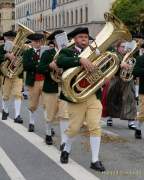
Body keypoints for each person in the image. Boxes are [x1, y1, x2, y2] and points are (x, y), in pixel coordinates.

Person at [56, 27, 105, 172]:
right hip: (76, 96)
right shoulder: (67, 51)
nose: (84, 39)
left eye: (86, 37)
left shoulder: (95, 52)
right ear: (74, 39)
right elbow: (60, 61)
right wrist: (80, 60)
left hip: (93, 95)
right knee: (74, 128)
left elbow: (110, 61)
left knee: (95, 126)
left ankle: (95, 160)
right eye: (81, 37)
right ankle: (66, 149)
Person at [38, 30, 69, 148]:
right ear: (55, 41)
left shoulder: (69, 52)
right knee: (49, 115)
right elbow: (40, 69)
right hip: (51, 87)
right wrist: (49, 66)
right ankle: (48, 133)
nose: (61, 41)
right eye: (59, 39)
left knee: (64, 115)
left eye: (63, 38)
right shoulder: (48, 53)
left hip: (65, 88)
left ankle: (64, 141)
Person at [106, 41, 137, 129]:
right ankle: (110, 117)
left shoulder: (130, 56)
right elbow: (109, 65)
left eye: (125, 46)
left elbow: (134, 67)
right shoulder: (113, 55)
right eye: (122, 46)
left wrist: (130, 67)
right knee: (112, 97)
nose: (124, 48)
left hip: (127, 80)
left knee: (130, 98)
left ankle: (131, 120)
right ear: (117, 47)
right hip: (115, 78)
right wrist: (120, 64)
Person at [23, 33, 45, 132]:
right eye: (36, 42)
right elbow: (26, 66)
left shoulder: (46, 51)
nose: (38, 44)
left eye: (40, 42)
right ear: (32, 43)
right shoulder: (28, 52)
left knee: (47, 104)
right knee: (33, 104)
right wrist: (38, 64)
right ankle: (31, 122)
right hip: (34, 81)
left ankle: (48, 126)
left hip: (45, 81)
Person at [0, 30, 23, 123]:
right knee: (5, 95)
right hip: (5, 74)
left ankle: (17, 115)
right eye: (8, 38)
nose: (11, 40)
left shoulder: (20, 48)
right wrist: (6, 55)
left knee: (18, 94)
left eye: (12, 38)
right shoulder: (1, 47)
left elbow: (24, 59)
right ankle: (5, 110)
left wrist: (17, 60)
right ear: (5, 38)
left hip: (17, 74)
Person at [133, 43, 144, 139]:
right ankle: (138, 128)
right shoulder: (140, 59)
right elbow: (135, 71)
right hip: (143, 90)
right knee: (142, 112)